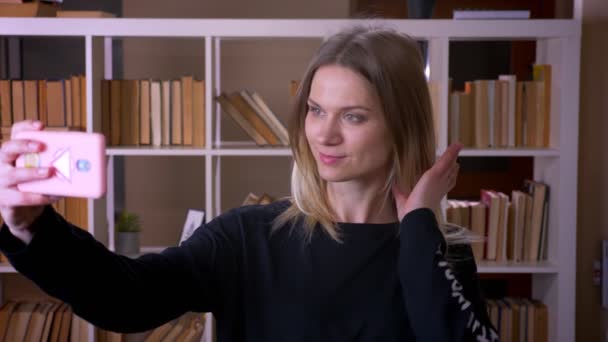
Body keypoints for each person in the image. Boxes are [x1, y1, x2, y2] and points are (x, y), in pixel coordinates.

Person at [0, 25, 498, 341]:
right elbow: (128, 298)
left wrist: (419, 227)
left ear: (402, 126)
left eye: (354, 116)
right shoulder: (248, 236)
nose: (323, 133)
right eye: (316, 110)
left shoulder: (436, 252)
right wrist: (31, 229)